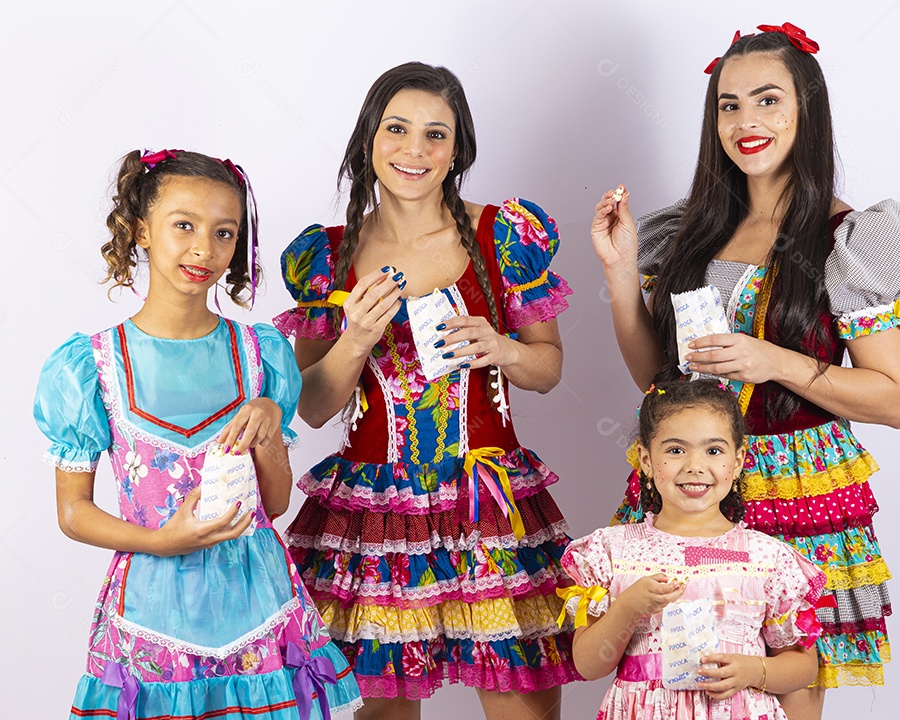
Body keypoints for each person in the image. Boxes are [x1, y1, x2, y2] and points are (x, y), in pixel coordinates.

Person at [590, 23, 900, 720]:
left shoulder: (850, 238)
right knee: (673, 678)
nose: (746, 121)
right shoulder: (689, 232)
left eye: (768, 100)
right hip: (687, 479)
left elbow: (895, 399)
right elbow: (654, 382)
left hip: (796, 485)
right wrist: (620, 273)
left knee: (782, 686)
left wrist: (773, 361)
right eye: (729, 105)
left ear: (806, 111)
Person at [274, 62, 578, 719]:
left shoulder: (504, 236)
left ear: (458, 149)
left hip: (487, 504)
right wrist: (354, 339)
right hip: (374, 515)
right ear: (367, 140)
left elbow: (549, 370)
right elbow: (314, 405)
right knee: (383, 708)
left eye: (436, 135)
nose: (415, 150)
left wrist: (503, 349)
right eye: (398, 129)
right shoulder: (326, 257)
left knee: (521, 700)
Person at [34, 149, 363, 719]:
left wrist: (266, 428)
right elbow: (73, 512)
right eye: (183, 225)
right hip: (153, 610)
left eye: (224, 232)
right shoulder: (93, 365)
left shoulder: (262, 356)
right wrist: (164, 541)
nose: (203, 250)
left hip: (259, 605)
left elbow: (276, 504)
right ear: (140, 230)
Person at [563, 378, 824, 719]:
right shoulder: (611, 551)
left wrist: (754, 671)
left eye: (713, 451)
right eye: (675, 450)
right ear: (645, 459)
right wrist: (628, 607)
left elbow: (804, 665)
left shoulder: (768, 558)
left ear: (739, 459)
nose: (695, 466)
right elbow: (589, 665)